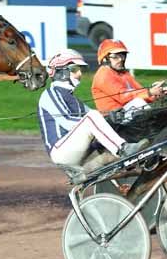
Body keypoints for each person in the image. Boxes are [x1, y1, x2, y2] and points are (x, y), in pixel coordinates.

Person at [37, 49, 148, 182]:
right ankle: (124, 149)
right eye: (74, 69)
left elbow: (96, 117)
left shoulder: (71, 97)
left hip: (78, 147)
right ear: (61, 72)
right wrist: (104, 118)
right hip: (61, 153)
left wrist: (114, 115)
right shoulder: (51, 94)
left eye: (79, 70)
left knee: (136, 103)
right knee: (93, 117)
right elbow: (68, 122)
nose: (79, 74)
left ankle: (153, 135)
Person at [91, 39, 167, 114]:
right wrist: (149, 92)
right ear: (105, 59)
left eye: (123, 56)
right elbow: (124, 97)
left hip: (127, 114)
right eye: (115, 57)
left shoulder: (123, 73)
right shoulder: (103, 76)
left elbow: (138, 91)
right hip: (113, 121)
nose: (121, 59)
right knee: (139, 103)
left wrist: (157, 93)